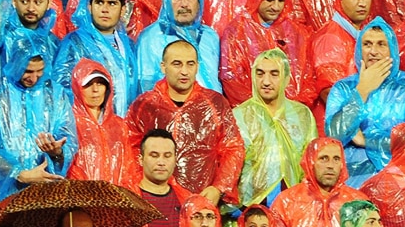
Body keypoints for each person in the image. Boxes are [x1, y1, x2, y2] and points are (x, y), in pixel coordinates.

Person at [128, 40, 245, 203]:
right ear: (163, 66)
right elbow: (130, 149)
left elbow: (233, 148)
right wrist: (140, 188)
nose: (184, 71)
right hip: (154, 199)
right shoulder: (145, 105)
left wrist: (218, 188)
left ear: (197, 66)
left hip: (202, 202)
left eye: (190, 64)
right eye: (177, 64)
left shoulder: (215, 103)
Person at [325, 17, 405, 185]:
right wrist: (362, 91)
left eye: (381, 44)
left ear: (393, 50)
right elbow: (333, 136)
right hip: (353, 183)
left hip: (398, 182)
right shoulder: (343, 88)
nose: (373, 51)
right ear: (359, 49)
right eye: (367, 44)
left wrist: (366, 140)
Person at [0, 31, 76, 200]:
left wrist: (57, 153)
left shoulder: (55, 93)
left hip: (47, 190)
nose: (34, 78)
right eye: (27, 71)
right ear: (15, 64)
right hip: (4, 193)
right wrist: (18, 173)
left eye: (40, 71)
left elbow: (68, 139)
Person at [219, 0, 315, 107]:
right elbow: (232, 80)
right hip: (254, 118)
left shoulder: (296, 32)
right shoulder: (237, 31)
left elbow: (307, 79)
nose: (276, 7)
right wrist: (263, 111)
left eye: (281, 0)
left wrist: (291, 110)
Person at [271, 138, 368, 227]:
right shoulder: (287, 201)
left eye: (336, 159)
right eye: (323, 158)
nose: (330, 165)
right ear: (310, 162)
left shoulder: (358, 201)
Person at [233, 49, 318, 207]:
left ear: (286, 78)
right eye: (260, 74)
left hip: (294, 205)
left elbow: (311, 162)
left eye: (274, 74)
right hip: (250, 207)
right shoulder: (239, 116)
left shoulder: (302, 115)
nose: (266, 81)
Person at [135, 0, 222, 93]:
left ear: (199, 2)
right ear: (167, 1)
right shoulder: (150, 38)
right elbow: (145, 87)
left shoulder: (211, 37)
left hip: (212, 110)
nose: (184, 4)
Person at [309, 0, 374, 127]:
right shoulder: (330, 38)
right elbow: (330, 93)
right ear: (339, 0)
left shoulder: (362, 32)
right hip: (337, 129)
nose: (362, 3)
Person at [64, 60, 135, 184]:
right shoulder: (69, 124)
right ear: (77, 87)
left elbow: (129, 171)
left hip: (116, 200)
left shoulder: (119, 125)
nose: (95, 90)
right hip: (81, 199)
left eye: (100, 84)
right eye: (88, 85)